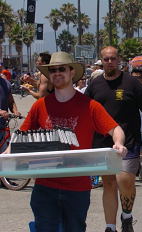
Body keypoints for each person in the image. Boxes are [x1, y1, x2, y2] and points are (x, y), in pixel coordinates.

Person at [5, 51, 127, 232]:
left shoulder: (89, 105)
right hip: (45, 186)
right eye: (53, 70)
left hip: (77, 188)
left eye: (61, 69)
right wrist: (7, 153)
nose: (57, 73)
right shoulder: (41, 105)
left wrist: (118, 143)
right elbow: (20, 136)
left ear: (71, 72)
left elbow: (116, 129)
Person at [85, 46, 142, 232]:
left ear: (119, 60)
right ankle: (110, 226)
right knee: (108, 183)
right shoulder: (94, 84)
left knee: (124, 180)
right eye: (106, 59)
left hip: (129, 141)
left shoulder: (132, 83)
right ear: (101, 61)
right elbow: (85, 111)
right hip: (102, 143)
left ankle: (127, 215)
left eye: (113, 58)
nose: (109, 62)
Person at [0, 76, 20, 153]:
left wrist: (15, 111)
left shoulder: (6, 83)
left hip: (3, 128)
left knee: (5, 156)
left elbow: (10, 101)